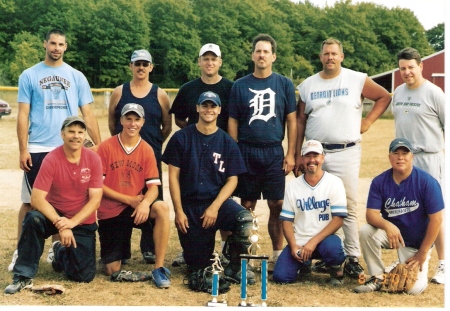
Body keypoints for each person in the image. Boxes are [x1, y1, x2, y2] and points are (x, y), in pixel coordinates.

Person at [295, 38, 392, 279]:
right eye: (326, 53)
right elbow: (299, 120)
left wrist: (367, 122)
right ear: (320, 57)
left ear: (342, 56)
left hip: (347, 150)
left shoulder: (356, 78)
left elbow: (383, 96)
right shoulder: (308, 85)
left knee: (347, 205)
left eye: (334, 53)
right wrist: (297, 153)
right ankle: (325, 256)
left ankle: (352, 257)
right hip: (316, 154)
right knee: (317, 205)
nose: (330, 57)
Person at [9, 28, 101, 272]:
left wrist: (98, 144)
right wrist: (23, 149)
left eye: (61, 44)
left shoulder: (76, 76)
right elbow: (23, 114)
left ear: (66, 47)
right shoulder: (29, 75)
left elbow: (88, 113)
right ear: (45, 44)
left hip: (69, 146)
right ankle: (22, 251)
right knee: (31, 203)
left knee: (63, 202)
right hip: (39, 145)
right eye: (52, 43)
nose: (56, 48)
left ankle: (55, 248)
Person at [162, 91, 255, 289]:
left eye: (213, 106)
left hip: (216, 203)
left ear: (219, 110)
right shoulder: (181, 138)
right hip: (191, 207)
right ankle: (202, 257)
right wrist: (179, 211)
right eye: (204, 105)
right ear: (197, 108)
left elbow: (232, 180)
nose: (208, 110)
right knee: (198, 266)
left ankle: (235, 266)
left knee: (245, 219)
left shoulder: (227, 141)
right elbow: (173, 177)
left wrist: (214, 207)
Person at [4, 116, 103, 294]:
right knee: (33, 219)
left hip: (81, 219)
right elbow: (36, 198)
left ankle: (59, 252)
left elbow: (96, 199)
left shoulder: (93, 159)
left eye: (80, 132)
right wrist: (61, 223)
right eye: (71, 131)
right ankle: (23, 275)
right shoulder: (52, 158)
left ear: (84, 136)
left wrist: (71, 223)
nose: (76, 136)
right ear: (62, 134)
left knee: (83, 276)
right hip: (55, 215)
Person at [228, 34, 297, 271]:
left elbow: (292, 120)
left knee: (276, 203)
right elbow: (233, 121)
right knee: (247, 203)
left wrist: (290, 154)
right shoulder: (240, 85)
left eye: (266, 51)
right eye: (258, 51)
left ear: (273, 56)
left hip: (273, 151)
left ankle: (278, 254)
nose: (261, 55)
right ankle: (247, 253)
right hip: (247, 150)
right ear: (252, 55)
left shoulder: (284, 84)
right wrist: (234, 152)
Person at [169, 43, 234, 267]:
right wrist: (195, 132)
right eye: (205, 58)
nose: (209, 62)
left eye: (213, 59)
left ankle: (227, 250)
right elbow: (178, 118)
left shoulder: (230, 87)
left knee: (224, 205)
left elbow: (235, 118)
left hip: (222, 150)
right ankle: (189, 249)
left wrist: (225, 141)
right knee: (192, 204)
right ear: (199, 62)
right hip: (196, 150)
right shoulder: (188, 88)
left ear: (220, 62)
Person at [353, 138, 444, 294]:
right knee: (366, 231)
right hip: (393, 236)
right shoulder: (379, 181)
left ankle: (402, 267)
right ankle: (377, 277)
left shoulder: (427, 182)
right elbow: (371, 215)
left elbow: (437, 220)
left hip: (416, 243)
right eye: (396, 153)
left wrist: (422, 252)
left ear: (412, 157)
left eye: (405, 153)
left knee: (413, 290)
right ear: (390, 157)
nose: (400, 157)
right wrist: (388, 225)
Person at [97, 103, 171, 288]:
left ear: (143, 122)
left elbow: (153, 187)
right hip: (112, 211)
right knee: (112, 270)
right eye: (128, 118)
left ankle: (159, 268)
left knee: (161, 207)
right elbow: (98, 185)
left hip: (136, 209)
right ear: (121, 120)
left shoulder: (146, 149)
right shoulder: (106, 147)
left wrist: (145, 203)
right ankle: (118, 251)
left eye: (137, 119)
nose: (132, 123)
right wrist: (128, 199)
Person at [108, 49, 172, 265]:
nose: (141, 67)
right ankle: (120, 247)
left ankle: (150, 248)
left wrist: (151, 145)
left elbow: (166, 126)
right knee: (122, 200)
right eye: (137, 63)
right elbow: (111, 122)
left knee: (152, 201)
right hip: (123, 157)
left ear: (151, 67)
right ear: (131, 66)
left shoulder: (159, 94)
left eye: (145, 64)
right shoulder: (120, 92)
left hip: (150, 157)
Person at [390, 47, 445, 284]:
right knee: (407, 209)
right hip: (405, 159)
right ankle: (405, 258)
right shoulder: (399, 92)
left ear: (421, 66)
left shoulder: (434, 93)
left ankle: (444, 264)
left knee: (435, 212)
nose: (407, 72)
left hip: (430, 157)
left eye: (411, 67)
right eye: (402, 68)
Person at [273, 140, 347, 285]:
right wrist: (294, 246)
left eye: (316, 156)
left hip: (326, 239)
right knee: (281, 277)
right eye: (307, 156)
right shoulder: (293, 186)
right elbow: (286, 220)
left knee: (333, 250)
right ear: (302, 159)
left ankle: (335, 268)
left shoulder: (334, 182)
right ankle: (304, 264)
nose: (312, 160)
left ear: (322, 158)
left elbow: (339, 219)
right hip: (301, 240)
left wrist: (313, 242)